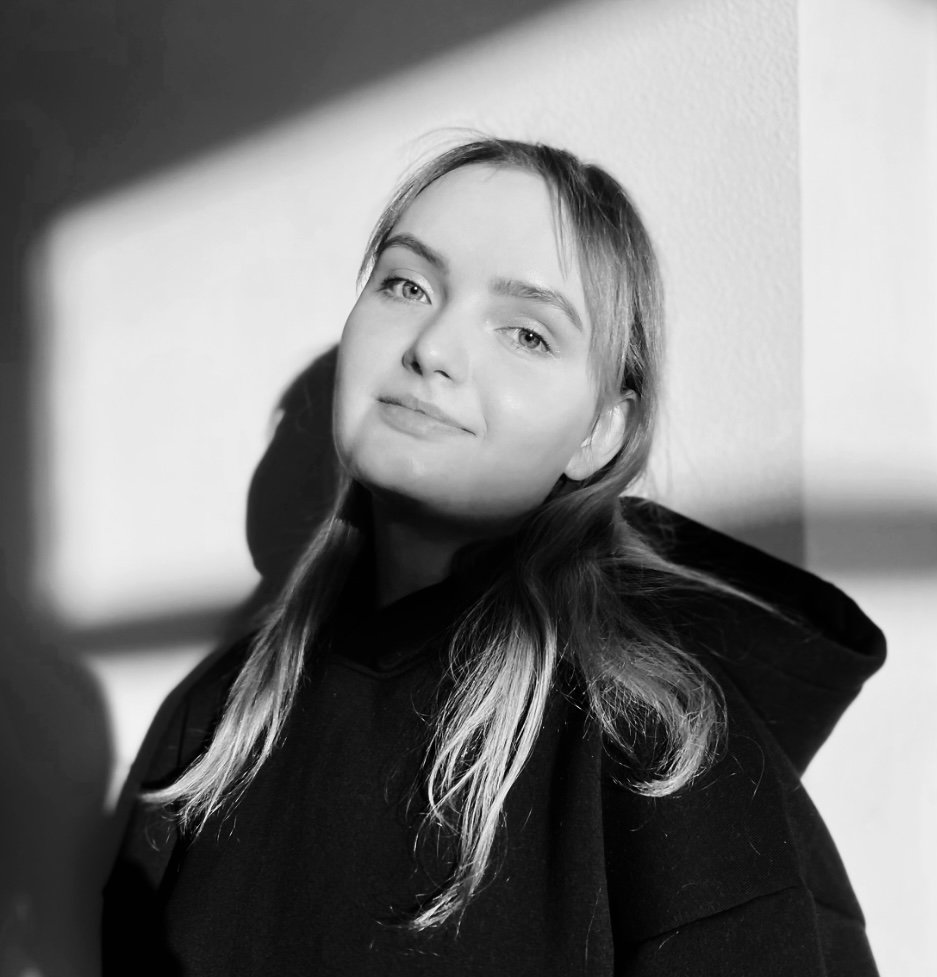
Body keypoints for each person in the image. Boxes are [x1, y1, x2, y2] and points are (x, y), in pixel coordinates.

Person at [102, 138, 885, 975]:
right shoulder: (218, 723)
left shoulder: (660, 750)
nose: (432, 347)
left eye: (526, 333)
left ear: (600, 431)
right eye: (406, 285)